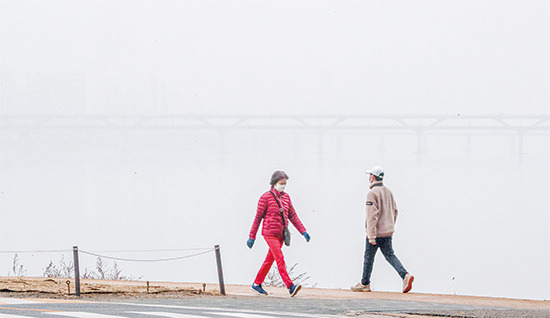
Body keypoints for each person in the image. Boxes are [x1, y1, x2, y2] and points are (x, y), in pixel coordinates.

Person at [247, 170, 311, 297]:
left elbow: (293, 216)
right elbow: (258, 218)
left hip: (281, 235)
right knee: (279, 258)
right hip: (269, 233)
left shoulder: (286, 197)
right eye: (281, 183)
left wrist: (303, 231)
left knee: (269, 260)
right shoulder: (265, 197)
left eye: (285, 184)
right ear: (275, 183)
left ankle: (256, 284)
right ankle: (290, 286)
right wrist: (251, 237)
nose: (283, 186)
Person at [351, 166, 414, 293]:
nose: (369, 178)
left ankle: (365, 283)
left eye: (370, 175)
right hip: (388, 232)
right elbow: (395, 211)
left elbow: (371, 216)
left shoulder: (372, 193)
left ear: (373, 177)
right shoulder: (388, 191)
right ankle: (405, 275)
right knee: (390, 255)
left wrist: (371, 235)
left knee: (368, 257)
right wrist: (390, 225)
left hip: (376, 232)